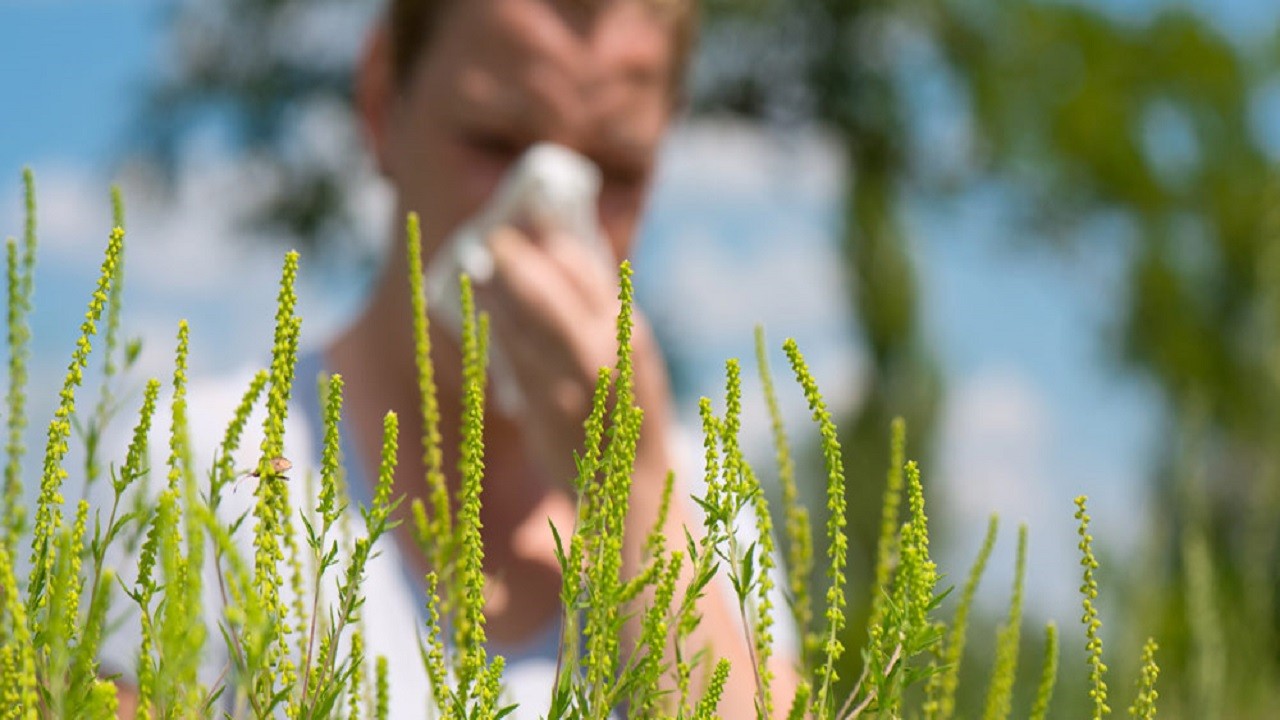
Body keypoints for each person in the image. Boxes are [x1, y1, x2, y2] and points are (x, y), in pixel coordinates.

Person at [113, 0, 798, 716]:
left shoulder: (705, 507)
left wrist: (631, 493)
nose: (544, 220)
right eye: (494, 143)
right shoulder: (203, 466)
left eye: (616, 169)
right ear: (382, 103)